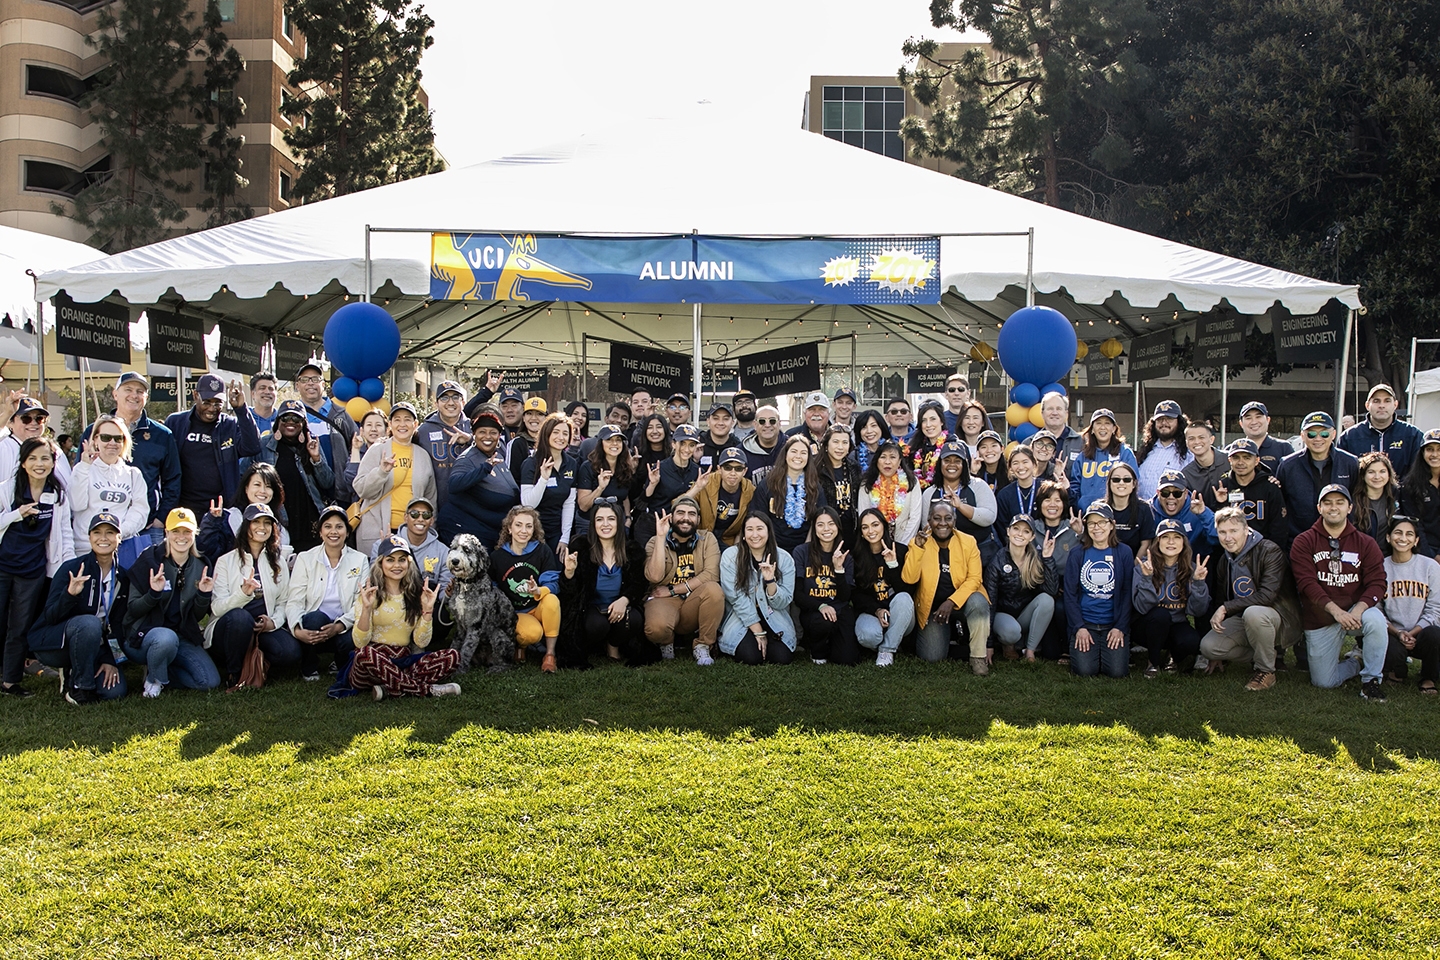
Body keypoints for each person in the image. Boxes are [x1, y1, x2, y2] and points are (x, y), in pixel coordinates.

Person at [1291, 484, 1388, 699]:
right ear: (1319, 508)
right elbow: (1307, 584)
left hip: (1355, 610)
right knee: (1324, 682)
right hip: (1321, 616)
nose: (1333, 507)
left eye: (1339, 502)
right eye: (1327, 502)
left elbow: (1378, 583)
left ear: (1349, 508)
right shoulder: (1304, 541)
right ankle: (1355, 663)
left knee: (1376, 620)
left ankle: (1371, 680)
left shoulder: (1365, 542)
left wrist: (1358, 610)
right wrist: (1336, 612)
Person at [0, 438, 75, 698]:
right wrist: (16, 514)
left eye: (44, 458)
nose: (39, 464)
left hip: (31, 571)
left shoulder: (57, 495)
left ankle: (10, 682)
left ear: (54, 462)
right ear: (22, 463)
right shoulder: (8, 489)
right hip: (2, 565)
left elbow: (64, 533)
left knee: (19, 627)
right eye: (32, 458)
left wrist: (68, 565)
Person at [1199, 506, 1303, 692]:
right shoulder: (1225, 559)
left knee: (1254, 613)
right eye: (1222, 532)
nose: (1228, 537)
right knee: (1209, 647)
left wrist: (1225, 608)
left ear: (1246, 530)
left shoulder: (1269, 551)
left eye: (1233, 531)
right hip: (1244, 618)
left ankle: (1266, 671)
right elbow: (1221, 599)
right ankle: (1267, 654)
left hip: (1278, 617)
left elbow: (1267, 596)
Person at [121, 508, 222, 697]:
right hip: (144, 636)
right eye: (175, 531)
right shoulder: (149, 559)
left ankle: (161, 668)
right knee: (166, 638)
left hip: (180, 636)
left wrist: (203, 595)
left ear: (195, 534)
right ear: (166, 533)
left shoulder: (201, 565)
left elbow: (195, 617)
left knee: (209, 681)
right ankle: (154, 680)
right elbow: (132, 609)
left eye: (187, 531)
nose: (181, 537)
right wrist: (153, 593)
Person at [30, 512, 129, 703]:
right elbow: (50, 616)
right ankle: (80, 688)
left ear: (119, 538)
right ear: (89, 537)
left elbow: (117, 624)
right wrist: (70, 595)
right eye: (97, 532)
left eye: (110, 533)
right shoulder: (72, 568)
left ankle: (79, 669)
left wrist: (110, 660)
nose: (103, 538)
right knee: (89, 623)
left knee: (114, 692)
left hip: (97, 644)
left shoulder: (123, 577)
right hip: (56, 643)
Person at [349, 535, 457, 699]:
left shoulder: (416, 595)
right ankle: (426, 690)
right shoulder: (370, 593)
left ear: (409, 563)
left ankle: (391, 688)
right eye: (390, 560)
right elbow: (360, 642)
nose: (397, 565)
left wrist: (427, 611)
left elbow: (421, 642)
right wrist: (366, 609)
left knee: (452, 656)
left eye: (402, 560)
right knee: (364, 654)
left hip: (402, 662)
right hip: (369, 665)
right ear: (380, 563)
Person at [205, 503, 298, 690]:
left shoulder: (278, 561)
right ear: (246, 526)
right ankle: (234, 673)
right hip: (229, 627)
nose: (261, 528)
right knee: (240, 619)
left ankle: (255, 659)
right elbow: (216, 608)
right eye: (256, 522)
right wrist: (243, 594)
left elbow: (284, 601)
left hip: (261, 626)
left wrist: (273, 622)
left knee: (291, 653)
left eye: (267, 523)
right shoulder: (225, 561)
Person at [87, 372, 181, 547]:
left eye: (140, 391)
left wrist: (161, 518)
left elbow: (173, 479)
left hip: (147, 527)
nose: (134, 395)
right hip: (100, 530)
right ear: (115, 394)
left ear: (146, 397)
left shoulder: (162, 435)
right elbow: (82, 473)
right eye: (128, 389)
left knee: (147, 574)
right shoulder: (94, 431)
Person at [904, 500, 991, 672]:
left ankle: (978, 657)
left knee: (979, 603)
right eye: (937, 518)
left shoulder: (968, 542)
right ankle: (957, 637)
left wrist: (951, 602)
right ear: (929, 521)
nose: (942, 523)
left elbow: (974, 579)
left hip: (963, 602)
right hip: (934, 609)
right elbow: (909, 579)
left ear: (955, 521)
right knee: (932, 656)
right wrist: (918, 549)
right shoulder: (918, 543)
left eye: (948, 518)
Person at [557, 500, 648, 665]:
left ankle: (613, 646)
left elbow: (639, 584)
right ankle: (595, 646)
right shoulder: (581, 548)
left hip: (619, 608)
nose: (605, 524)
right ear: (593, 524)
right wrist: (569, 572)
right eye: (599, 519)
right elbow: (569, 592)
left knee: (633, 619)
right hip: (591, 610)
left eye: (611, 519)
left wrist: (624, 599)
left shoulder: (632, 550)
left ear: (619, 522)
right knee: (597, 626)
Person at [287, 505, 369, 682]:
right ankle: (309, 666)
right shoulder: (305, 558)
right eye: (328, 526)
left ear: (347, 532)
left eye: (339, 526)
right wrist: (297, 628)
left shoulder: (360, 560)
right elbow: (295, 600)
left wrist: (339, 625)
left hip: (343, 625)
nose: (334, 531)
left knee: (354, 635)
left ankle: (339, 663)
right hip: (315, 625)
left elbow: (361, 602)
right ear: (321, 532)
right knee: (314, 618)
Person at [165, 373, 262, 518]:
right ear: (195, 395)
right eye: (207, 402)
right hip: (182, 508)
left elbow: (252, 447)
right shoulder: (175, 422)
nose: (211, 408)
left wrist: (241, 410)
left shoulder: (230, 425)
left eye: (217, 403)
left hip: (222, 508)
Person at [643, 497, 723, 665]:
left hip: (693, 598)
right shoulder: (654, 542)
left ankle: (703, 645)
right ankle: (666, 641)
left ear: (698, 519)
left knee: (714, 590)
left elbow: (711, 575)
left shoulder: (707, 539)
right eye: (680, 513)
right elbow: (654, 577)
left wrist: (673, 589)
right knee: (655, 630)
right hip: (664, 600)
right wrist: (660, 537)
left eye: (691, 514)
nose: (686, 518)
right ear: (671, 517)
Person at [352, 402, 437, 556]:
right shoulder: (377, 450)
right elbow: (361, 488)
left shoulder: (423, 455)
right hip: (378, 531)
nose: (402, 424)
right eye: (397, 420)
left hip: (413, 534)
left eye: (407, 419)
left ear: (415, 424)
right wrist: (381, 472)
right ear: (390, 424)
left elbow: (430, 498)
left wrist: (430, 531)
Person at [1064, 501, 1135, 678]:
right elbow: (1070, 594)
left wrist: (1120, 627)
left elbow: (1127, 593)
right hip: (1086, 623)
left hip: (1113, 623)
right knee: (1085, 671)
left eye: (1102, 522)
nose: (1097, 528)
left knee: (1117, 672)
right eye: (1092, 523)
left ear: (1111, 525)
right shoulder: (1077, 553)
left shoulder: (1124, 552)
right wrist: (1079, 627)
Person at [1132, 518, 1209, 677]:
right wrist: (1147, 579)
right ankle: (1152, 663)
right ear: (1157, 542)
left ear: (1184, 542)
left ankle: (1173, 656)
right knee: (1160, 615)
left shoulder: (1192, 568)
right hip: (1148, 626)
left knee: (1191, 641)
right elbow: (1141, 607)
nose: (1171, 542)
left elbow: (1198, 611)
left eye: (1177, 537)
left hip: (1176, 623)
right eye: (1165, 537)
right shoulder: (1145, 566)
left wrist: (1199, 583)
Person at [253, 399, 334, 551]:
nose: (291, 422)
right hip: (277, 519)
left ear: (303, 423)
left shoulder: (311, 444)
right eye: (285, 418)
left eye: (296, 418)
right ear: (278, 421)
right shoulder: (264, 445)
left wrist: (316, 458)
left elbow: (327, 483)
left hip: (308, 519)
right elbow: (246, 477)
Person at [490, 505, 562, 673]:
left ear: (534, 529)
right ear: (509, 528)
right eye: (518, 525)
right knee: (532, 634)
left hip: (537, 607)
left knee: (552, 599)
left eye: (529, 526)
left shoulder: (542, 551)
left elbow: (553, 584)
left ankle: (550, 654)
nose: (524, 530)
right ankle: (520, 644)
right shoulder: (497, 556)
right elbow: (492, 589)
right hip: (515, 613)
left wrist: (538, 591)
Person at [718, 512, 797, 665]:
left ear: (768, 532)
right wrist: (757, 630)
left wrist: (770, 581)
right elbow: (735, 597)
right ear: (743, 534)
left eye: (760, 529)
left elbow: (783, 602)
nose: (755, 534)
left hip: (774, 613)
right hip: (742, 615)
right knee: (750, 657)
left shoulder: (784, 558)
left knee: (781, 658)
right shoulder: (730, 556)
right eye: (750, 529)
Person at [68, 413, 149, 559]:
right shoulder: (83, 469)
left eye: (118, 438)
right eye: (106, 437)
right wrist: (85, 466)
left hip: (121, 549)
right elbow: (76, 505)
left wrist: (118, 532)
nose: (112, 442)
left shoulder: (133, 474)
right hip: (85, 549)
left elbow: (141, 510)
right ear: (95, 440)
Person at [1275, 411, 1359, 543]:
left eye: (1324, 433)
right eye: (1312, 434)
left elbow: (1357, 500)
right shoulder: (1287, 465)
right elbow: (1281, 505)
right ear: (1302, 436)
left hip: (1342, 541)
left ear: (1334, 434)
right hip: (1299, 541)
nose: (1318, 439)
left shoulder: (1350, 462)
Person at [1381, 515, 1440, 695]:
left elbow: (1435, 607)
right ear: (1388, 537)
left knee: (1435, 634)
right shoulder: (1380, 567)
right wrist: (1397, 632)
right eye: (1398, 533)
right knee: (1380, 635)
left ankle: (1428, 677)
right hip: (1393, 632)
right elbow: (1375, 607)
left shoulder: (1430, 566)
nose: (1403, 538)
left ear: (1416, 540)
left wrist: (1414, 632)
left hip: (1422, 633)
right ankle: (1397, 671)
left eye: (1409, 534)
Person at [986, 515, 1058, 662]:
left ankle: (1029, 651)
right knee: (1011, 632)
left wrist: (1047, 558)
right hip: (1003, 615)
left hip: (1024, 614)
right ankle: (1009, 642)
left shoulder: (1036, 558)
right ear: (1008, 531)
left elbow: (1051, 591)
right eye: (1016, 529)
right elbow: (990, 603)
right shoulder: (997, 561)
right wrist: (988, 645)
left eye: (1026, 531)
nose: (1020, 534)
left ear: (1032, 537)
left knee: (1047, 600)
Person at [791, 508, 856, 665]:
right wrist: (821, 605)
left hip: (839, 610)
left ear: (838, 527)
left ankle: (832, 642)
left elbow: (846, 597)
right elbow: (797, 593)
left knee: (848, 660)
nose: (826, 529)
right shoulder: (801, 552)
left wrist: (839, 570)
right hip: (814, 610)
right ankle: (817, 649)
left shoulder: (846, 557)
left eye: (831, 524)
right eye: (820, 525)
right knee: (823, 622)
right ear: (814, 528)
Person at [851, 507, 915, 666]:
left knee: (904, 599)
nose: (870, 531)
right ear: (861, 532)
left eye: (875, 525)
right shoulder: (856, 556)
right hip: (872, 612)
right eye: (865, 527)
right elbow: (856, 595)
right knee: (867, 635)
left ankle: (887, 649)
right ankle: (891, 639)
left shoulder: (900, 551)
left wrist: (892, 565)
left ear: (884, 526)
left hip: (900, 614)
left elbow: (907, 592)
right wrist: (877, 610)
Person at [917, 440, 999, 558]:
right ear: (940, 464)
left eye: (957, 461)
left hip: (979, 550)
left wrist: (960, 506)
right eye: (947, 461)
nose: (952, 465)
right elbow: (926, 526)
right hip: (942, 553)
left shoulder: (978, 485)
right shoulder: (930, 492)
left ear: (964, 465)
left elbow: (989, 517)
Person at [198, 460, 290, 561]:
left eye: (268, 486)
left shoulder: (280, 527)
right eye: (257, 485)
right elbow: (209, 552)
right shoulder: (226, 518)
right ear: (246, 488)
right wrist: (212, 522)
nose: (262, 491)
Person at [519, 414, 579, 556]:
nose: (561, 437)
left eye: (565, 433)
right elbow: (528, 504)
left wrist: (564, 538)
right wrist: (543, 479)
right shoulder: (531, 463)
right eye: (556, 432)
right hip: (532, 532)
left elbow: (569, 503)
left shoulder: (571, 463)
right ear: (546, 434)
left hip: (557, 532)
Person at [634, 423, 703, 546]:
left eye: (691, 445)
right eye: (683, 443)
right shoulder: (660, 468)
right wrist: (653, 484)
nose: (686, 449)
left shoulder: (697, 472)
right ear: (674, 444)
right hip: (653, 525)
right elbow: (643, 502)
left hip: (681, 529)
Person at [1213, 438, 1289, 547]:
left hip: (1264, 550)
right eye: (1236, 458)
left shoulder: (1270, 486)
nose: (1240, 462)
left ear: (1257, 460)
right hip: (1231, 549)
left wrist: (1272, 553)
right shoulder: (1222, 486)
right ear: (1229, 460)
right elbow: (1217, 526)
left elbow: (1279, 527)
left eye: (1247, 458)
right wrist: (1220, 503)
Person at [1339, 383, 1423, 478]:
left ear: (1395, 404)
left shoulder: (1413, 435)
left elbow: (1420, 473)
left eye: (1387, 401)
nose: (1382, 405)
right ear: (1367, 405)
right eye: (1376, 401)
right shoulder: (1349, 437)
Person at [377, 496, 451, 605]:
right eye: (414, 514)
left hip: (425, 610)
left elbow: (443, 595)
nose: (420, 519)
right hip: (390, 606)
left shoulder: (444, 552)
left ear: (431, 520)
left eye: (426, 515)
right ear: (406, 517)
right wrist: (385, 551)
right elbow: (375, 582)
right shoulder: (381, 545)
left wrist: (449, 594)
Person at [763, 435, 827, 554]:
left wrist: (806, 549)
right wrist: (774, 550)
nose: (798, 456)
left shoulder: (815, 486)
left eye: (803, 453)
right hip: (773, 546)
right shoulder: (768, 484)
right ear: (785, 455)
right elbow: (760, 518)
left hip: (806, 547)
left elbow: (819, 519)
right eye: (794, 451)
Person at [1, 396, 73, 496]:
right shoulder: (3, 446)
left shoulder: (54, 450)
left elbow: (67, 488)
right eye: (26, 418)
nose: (33, 423)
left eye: (39, 419)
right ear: (10, 422)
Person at [420, 380, 472, 513]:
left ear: (463, 402)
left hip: (470, 504)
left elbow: (494, 450)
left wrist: (471, 439)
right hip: (435, 504)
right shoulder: (424, 430)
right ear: (436, 403)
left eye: (456, 397)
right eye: (444, 398)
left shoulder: (473, 427)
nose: (450, 402)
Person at [1070, 408, 1138, 510]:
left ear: (1114, 428)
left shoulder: (1125, 453)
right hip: (1087, 515)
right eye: (1098, 423)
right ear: (1092, 429)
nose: (1103, 427)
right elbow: (1075, 487)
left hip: (1116, 514)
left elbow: (1133, 484)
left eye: (1107, 423)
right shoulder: (1083, 457)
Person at [575, 424, 633, 541]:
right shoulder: (588, 467)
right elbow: (583, 506)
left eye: (618, 440)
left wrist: (628, 518)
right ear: (601, 443)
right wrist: (600, 488)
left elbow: (624, 497)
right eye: (609, 440)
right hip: (589, 524)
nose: (615, 444)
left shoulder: (625, 467)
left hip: (617, 524)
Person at [293, 361, 356, 471]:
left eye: (315, 379)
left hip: (339, 485)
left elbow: (358, 445)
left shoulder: (341, 415)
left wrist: (349, 473)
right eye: (304, 380)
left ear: (323, 384)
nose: (310, 383)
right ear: (297, 386)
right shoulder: (291, 417)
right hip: (306, 486)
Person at [859, 439, 922, 544]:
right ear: (877, 460)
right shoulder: (866, 484)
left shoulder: (912, 482)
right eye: (883, 457)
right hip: (874, 543)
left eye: (892, 457)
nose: (887, 462)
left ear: (900, 461)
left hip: (904, 541)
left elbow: (915, 517)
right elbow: (863, 516)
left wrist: (903, 545)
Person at [695, 446, 755, 547]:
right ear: (719, 469)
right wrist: (697, 487)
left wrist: (737, 547)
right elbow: (678, 505)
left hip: (729, 539)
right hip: (702, 536)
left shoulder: (750, 490)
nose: (733, 473)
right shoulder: (706, 482)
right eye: (727, 468)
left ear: (744, 471)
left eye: (738, 469)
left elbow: (748, 522)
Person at [1136, 400, 1193, 500]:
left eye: (1169, 419)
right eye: (1160, 419)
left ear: (1179, 421)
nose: (1163, 423)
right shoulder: (1146, 450)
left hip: (1172, 510)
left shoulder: (1188, 451)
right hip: (1143, 511)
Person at [1149, 469, 1215, 555]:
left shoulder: (1197, 510)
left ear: (1185, 494)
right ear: (1158, 493)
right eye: (1165, 493)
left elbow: (1216, 538)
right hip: (1157, 563)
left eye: (1177, 493)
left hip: (1193, 564)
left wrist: (1204, 514)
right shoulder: (1148, 510)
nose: (1171, 497)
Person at [1350, 451, 1405, 553]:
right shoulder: (1353, 502)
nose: (1377, 476)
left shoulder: (1396, 496)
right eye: (1371, 472)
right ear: (1363, 475)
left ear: (1389, 474)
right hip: (1362, 556)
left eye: (1382, 471)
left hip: (1390, 556)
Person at [336, 408, 389, 506]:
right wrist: (355, 449)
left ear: (387, 430)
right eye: (369, 425)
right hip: (364, 510)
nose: (373, 429)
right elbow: (352, 484)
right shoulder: (359, 452)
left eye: (378, 425)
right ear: (362, 430)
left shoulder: (391, 452)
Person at [1401, 429, 1440, 558]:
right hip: (1422, 550)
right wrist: (1429, 556)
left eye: (1439, 449)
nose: (1435, 454)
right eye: (1430, 449)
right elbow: (1415, 523)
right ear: (1422, 452)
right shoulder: (1411, 485)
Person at [817, 425, 860, 545]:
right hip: (825, 529)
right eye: (835, 442)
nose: (840, 447)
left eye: (845, 442)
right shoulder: (816, 469)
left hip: (851, 529)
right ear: (826, 445)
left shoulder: (854, 467)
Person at [1104, 461, 1155, 557]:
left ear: (1134, 484)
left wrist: (1133, 568)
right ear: (1109, 483)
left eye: (1127, 480)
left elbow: (1146, 544)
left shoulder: (1144, 509)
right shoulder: (1100, 508)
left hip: (1135, 565)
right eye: (1116, 479)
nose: (1121, 483)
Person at [1238, 401, 1298, 475]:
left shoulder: (1284, 448)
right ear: (1241, 423)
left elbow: (1293, 478)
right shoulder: (1231, 451)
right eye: (1248, 418)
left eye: (1258, 417)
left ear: (1268, 420)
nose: (1254, 422)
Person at [1180, 420, 1227, 509]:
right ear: (1186, 443)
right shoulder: (1186, 475)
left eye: (1201, 437)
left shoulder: (1230, 460)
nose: (1197, 442)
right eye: (1191, 438)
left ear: (1211, 439)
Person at [909, 401, 950, 487]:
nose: (928, 425)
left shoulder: (951, 445)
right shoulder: (914, 447)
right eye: (924, 420)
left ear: (941, 421)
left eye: (933, 419)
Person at [507, 396, 548, 484]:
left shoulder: (552, 442)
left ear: (546, 418)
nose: (533, 418)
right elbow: (512, 478)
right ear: (523, 418)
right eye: (529, 413)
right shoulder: (517, 443)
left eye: (539, 414)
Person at [741, 404, 783, 486]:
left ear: (779, 424)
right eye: (762, 421)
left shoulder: (790, 449)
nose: (767, 425)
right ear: (755, 424)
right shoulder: (742, 452)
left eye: (772, 421)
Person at [1039, 391, 1085, 465]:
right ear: (1042, 413)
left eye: (1059, 409)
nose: (1054, 413)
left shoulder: (1082, 443)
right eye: (1050, 409)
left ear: (1066, 413)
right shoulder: (1029, 443)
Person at [851, 409, 892, 477]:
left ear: (881, 427)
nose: (869, 431)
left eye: (873, 426)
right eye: (864, 427)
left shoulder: (894, 450)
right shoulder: (854, 456)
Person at [698, 402, 736, 468]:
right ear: (708, 421)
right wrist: (695, 460)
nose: (720, 423)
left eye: (726, 419)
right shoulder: (698, 443)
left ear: (732, 423)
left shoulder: (737, 447)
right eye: (715, 418)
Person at [249, 373, 278, 439]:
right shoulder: (245, 418)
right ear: (253, 394)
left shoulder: (282, 420)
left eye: (271, 389)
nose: (267, 392)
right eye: (262, 388)